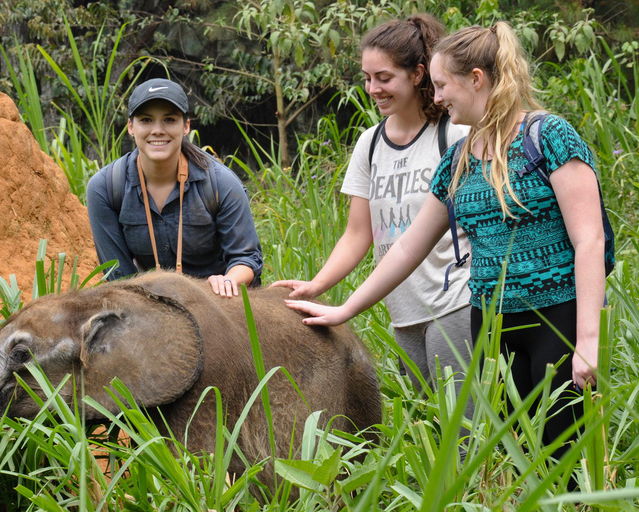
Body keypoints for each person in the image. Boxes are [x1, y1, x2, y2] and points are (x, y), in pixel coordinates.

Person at [285, 21, 607, 469]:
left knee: (563, 449)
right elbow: (404, 248)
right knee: (513, 456)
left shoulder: (548, 136)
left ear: (476, 79)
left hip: (556, 316)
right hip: (492, 321)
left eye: (441, 85)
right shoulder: (458, 160)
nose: (436, 98)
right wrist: (343, 309)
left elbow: (588, 240)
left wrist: (587, 340)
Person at [272, 15, 474, 399]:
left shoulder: (455, 134)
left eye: (383, 78)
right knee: (426, 424)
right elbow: (357, 233)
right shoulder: (370, 143)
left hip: (456, 301)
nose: (372, 88)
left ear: (417, 74)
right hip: (402, 308)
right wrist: (317, 285)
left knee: (463, 431)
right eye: (366, 78)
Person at [86, 78, 263, 297]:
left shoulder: (220, 183)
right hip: (148, 304)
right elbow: (119, 278)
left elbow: (247, 259)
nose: (158, 130)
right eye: (146, 120)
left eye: (169, 119)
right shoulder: (105, 188)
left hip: (217, 302)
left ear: (186, 126)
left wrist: (228, 280)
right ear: (131, 127)